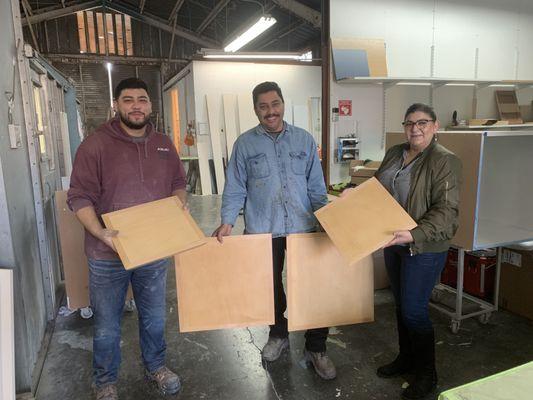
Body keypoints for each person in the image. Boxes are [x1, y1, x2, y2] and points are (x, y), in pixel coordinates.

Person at [67, 78, 186, 400]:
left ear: (150, 105)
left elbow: (178, 182)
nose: (136, 106)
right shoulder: (95, 145)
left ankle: (156, 367)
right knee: (107, 323)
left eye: (142, 100)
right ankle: (105, 381)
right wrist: (99, 233)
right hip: (108, 254)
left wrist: (177, 207)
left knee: (154, 317)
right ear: (116, 105)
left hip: (152, 250)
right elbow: (78, 196)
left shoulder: (163, 143)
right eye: (129, 100)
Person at [211, 81, 336, 380]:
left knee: (312, 287)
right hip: (263, 228)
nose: (271, 111)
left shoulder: (304, 140)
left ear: (283, 104)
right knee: (269, 287)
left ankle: (316, 346)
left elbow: (316, 187)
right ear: (255, 110)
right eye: (263, 106)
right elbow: (235, 187)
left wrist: (328, 220)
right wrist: (228, 220)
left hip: (303, 225)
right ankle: (277, 334)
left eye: (275, 104)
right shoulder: (244, 144)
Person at [375, 103, 462, 399]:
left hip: (423, 246)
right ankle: (406, 359)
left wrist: (413, 234)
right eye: (410, 122)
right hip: (393, 241)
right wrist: (353, 192)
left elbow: (446, 211)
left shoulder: (444, 160)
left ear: (435, 126)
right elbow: (377, 189)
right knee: (401, 306)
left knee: (414, 310)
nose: (415, 128)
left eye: (423, 122)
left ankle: (428, 374)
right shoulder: (395, 153)